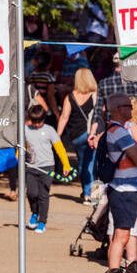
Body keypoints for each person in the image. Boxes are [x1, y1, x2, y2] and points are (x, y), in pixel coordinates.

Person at [102, 94, 137, 269]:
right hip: (123, 189)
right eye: (128, 106)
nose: (131, 109)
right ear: (119, 109)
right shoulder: (119, 131)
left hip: (125, 188)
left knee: (122, 234)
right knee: (121, 235)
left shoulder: (116, 130)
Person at [24, 103, 70, 232]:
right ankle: (34, 213)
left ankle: (42, 221)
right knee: (32, 193)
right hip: (31, 167)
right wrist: (17, 159)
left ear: (43, 119)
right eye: (34, 121)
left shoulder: (50, 130)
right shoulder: (25, 130)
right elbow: (21, 147)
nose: (36, 124)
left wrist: (66, 164)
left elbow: (59, 148)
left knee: (43, 195)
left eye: (39, 121)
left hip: (47, 167)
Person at [56, 67, 98, 203]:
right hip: (92, 133)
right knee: (91, 163)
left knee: (82, 163)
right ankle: (88, 193)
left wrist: (57, 136)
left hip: (76, 136)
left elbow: (64, 117)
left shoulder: (70, 96)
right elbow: (99, 114)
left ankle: (86, 190)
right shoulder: (95, 94)